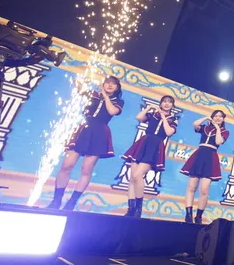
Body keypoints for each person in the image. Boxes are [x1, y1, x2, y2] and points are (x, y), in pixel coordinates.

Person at [46, 76, 124, 210]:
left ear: (117, 88)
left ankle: (71, 203)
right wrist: (88, 79)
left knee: (86, 169)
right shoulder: (93, 94)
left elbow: (112, 111)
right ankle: (56, 201)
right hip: (84, 128)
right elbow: (78, 84)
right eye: (107, 83)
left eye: (113, 84)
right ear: (103, 84)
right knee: (67, 165)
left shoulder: (118, 101)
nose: (110, 85)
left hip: (99, 132)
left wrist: (105, 96)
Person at [122, 95, 178, 218]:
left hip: (156, 146)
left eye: (169, 102)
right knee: (132, 178)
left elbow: (169, 132)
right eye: (164, 101)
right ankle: (131, 209)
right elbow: (139, 117)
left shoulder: (173, 119)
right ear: (160, 103)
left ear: (172, 105)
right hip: (143, 143)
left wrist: (163, 117)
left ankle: (138, 209)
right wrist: (148, 108)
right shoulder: (153, 114)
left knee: (138, 175)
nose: (166, 104)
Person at [179, 110, 229, 224]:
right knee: (191, 187)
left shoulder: (224, 132)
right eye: (215, 116)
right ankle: (188, 215)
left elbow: (218, 141)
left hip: (211, 157)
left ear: (223, 119)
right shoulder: (205, 128)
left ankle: (199, 217)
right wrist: (206, 118)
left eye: (220, 116)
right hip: (199, 155)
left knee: (204, 189)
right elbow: (195, 124)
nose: (218, 118)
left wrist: (217, 128)